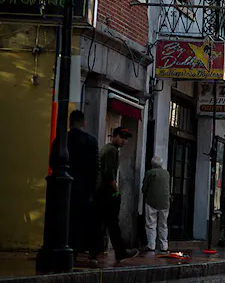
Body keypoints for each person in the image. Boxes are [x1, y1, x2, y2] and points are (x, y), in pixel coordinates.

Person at [97, 126, 138, 264]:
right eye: (121, 137)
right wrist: (116, 189)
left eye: (126, 139)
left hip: (102, 190)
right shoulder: (111, 151)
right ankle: (120, 252)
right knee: (112, 223)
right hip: (107, 191)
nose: (124, 141)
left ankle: (96, 252)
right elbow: (109, 173)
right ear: (114, 136)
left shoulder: (108, 149)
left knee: (103, 222)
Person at [67, 110, 99, 260]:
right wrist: (93, 187)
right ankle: (90, 251)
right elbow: (95, 167)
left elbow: (53, 161)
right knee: (86, 220)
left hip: (67, 188)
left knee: (68, 220)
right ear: (84, 123)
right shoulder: (91, 141)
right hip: (85, 188)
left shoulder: (63, 139)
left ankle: (71, 249)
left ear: (70, 122)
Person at [141, 156, 171, 254]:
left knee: (151, 223)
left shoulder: (150, 173)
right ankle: (164, 245)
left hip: (152, 201)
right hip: (165, 202)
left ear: (152, 164)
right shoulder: (166, 173)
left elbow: (144, 188)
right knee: (163, 224)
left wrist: (145, 193)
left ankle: (151, 245)